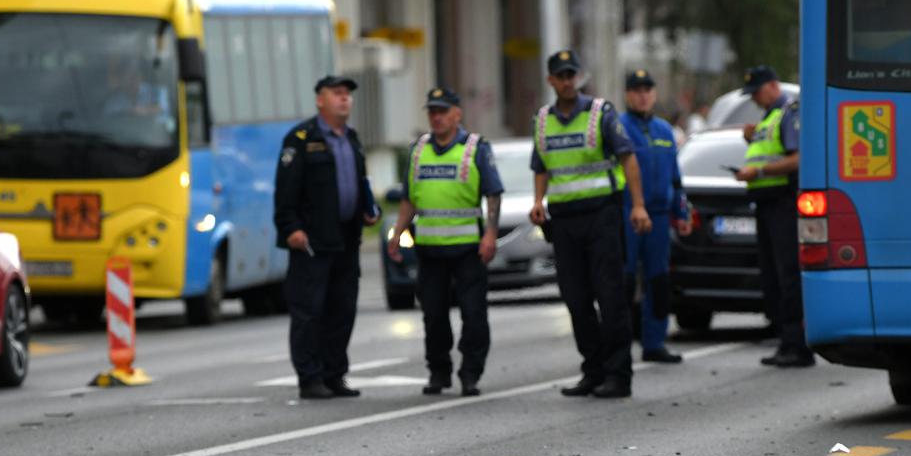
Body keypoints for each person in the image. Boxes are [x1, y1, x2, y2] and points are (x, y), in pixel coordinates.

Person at [530, 49, 651, 399]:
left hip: (602, 217)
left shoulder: (600, 113)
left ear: (578, 77)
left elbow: (628, 159)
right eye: (561, 76)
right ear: (551, 80)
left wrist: (638, 205)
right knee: (576, 299)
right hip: (564, 221)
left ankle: (618, 374)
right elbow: (541, 167)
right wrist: (538, 202)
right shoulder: (541, 120)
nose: (567, 81)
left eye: (572, 75)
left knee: (610, 297)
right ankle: (593, 370)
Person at [388, 86, 502, 397]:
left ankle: (470, 373)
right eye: (432, 112)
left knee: (473, 314)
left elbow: (493, 193)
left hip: (468, 249)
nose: (436, 118)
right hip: (430, 250)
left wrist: (490, 234)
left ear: (457, 114)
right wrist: (397, 233)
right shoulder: (418, 151)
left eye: (442, 111)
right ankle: (439, 371)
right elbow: (410, 199)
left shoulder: (475, 148)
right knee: (433, 315)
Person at [274, 75, 380, 400]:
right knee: (309, 311)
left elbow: (358, 180)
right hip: (312, 242)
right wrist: (290, 227)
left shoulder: (351, 138)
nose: (344, 99)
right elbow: (285, 190)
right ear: (320, 100)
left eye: (347, 94)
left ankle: (335, 374)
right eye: (337, 94)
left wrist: (367, 207)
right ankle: (310, 377)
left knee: (342, 309)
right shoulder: (302, 138)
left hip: (347, 238)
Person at [734, 65, 813, 366]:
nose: (754, 99)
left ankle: (797, 344)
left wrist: (760, 171)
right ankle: (786, 340)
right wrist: (749, 141)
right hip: (766, 204)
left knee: (788, 274)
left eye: (756, 92)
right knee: (774, 277)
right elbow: (771, 151)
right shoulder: (767, 118)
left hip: (783, 203)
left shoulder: (787, 112)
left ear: (771, 86)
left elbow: (797, 158)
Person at [621, 69, 691, 363]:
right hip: (625, 213)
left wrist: (681, 211)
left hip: (660, 215)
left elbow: (675, 176)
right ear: (627, 94)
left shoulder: (664, 131)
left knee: (658, 281)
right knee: (623, 282)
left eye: (647, 89)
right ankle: (619, 343)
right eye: (637, 90)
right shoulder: (618, 127)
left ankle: (654, 341)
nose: (643, 95)